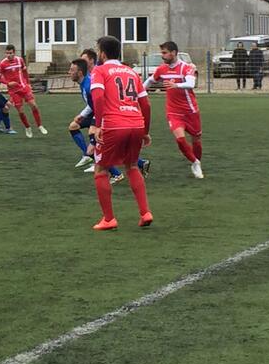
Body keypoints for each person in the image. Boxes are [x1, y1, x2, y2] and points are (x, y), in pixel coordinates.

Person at [89, 35, 153, 231]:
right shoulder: (131, 72)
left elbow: (98, 98)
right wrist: (145, 131)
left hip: (114, 125)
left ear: (102, 53)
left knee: (101, 169)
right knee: (132, 166)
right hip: (136, 124)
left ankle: (109, 219)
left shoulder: (99, 70)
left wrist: (98, 124)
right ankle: (145, 213)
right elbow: (146, 104)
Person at [69, 57, 140, 183]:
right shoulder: (84, 83)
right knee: (74, 127)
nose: (69, 72)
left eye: (71, 70)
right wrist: (82, 115)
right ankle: (92, 158)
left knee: (97, 146)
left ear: (79, 72)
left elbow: (100, 101)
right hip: (98, 113)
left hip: (106, 114)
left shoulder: (88, 86)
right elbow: (93, 104)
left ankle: (118, 172)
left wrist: (98, 123)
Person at [143, 41, 204, 179]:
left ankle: (197, 161)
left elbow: (191, 83)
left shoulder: (186, 68)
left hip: (190, 110)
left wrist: (175, 85)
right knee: (180, 139)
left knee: (196, 139)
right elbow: (150, 81)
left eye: (165, 53)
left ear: (174, 53)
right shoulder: (162, 69)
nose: (162, 56)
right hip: (173, 112)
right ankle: (195, 163)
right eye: (162, 53)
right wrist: (139, 92)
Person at [0, 44, 47, 138]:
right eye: (7, 53)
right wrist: (7, 83)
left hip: (24, 87)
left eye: (10, 53)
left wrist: (28, 83)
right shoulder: (2, 63)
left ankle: (40, 125)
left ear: (14, 53)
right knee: (21, 111)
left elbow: (24, 71)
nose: (8, 55)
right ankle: (27, 127)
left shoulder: (20, 60)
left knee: (34, 105)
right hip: (13, 91)